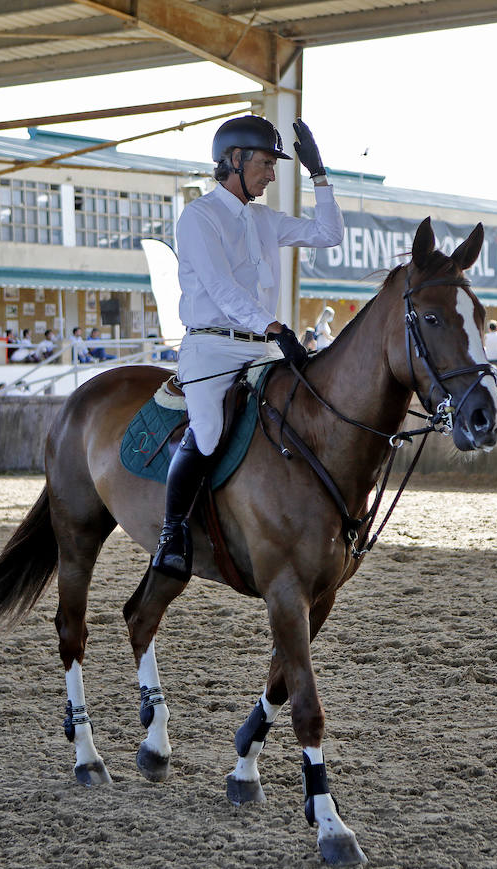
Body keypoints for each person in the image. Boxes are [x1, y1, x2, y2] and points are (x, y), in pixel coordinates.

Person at [152, 114, 342, 580]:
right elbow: (219, 288)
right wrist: (274, 327)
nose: (272, 173)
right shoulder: (198, 217)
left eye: (275, 164)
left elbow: (329, 235)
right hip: (212, 349)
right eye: (265, 163)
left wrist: (320, 176)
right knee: (211, 429)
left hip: (262, 346)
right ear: (234, 160)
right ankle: (172, 532)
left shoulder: (265, 219)